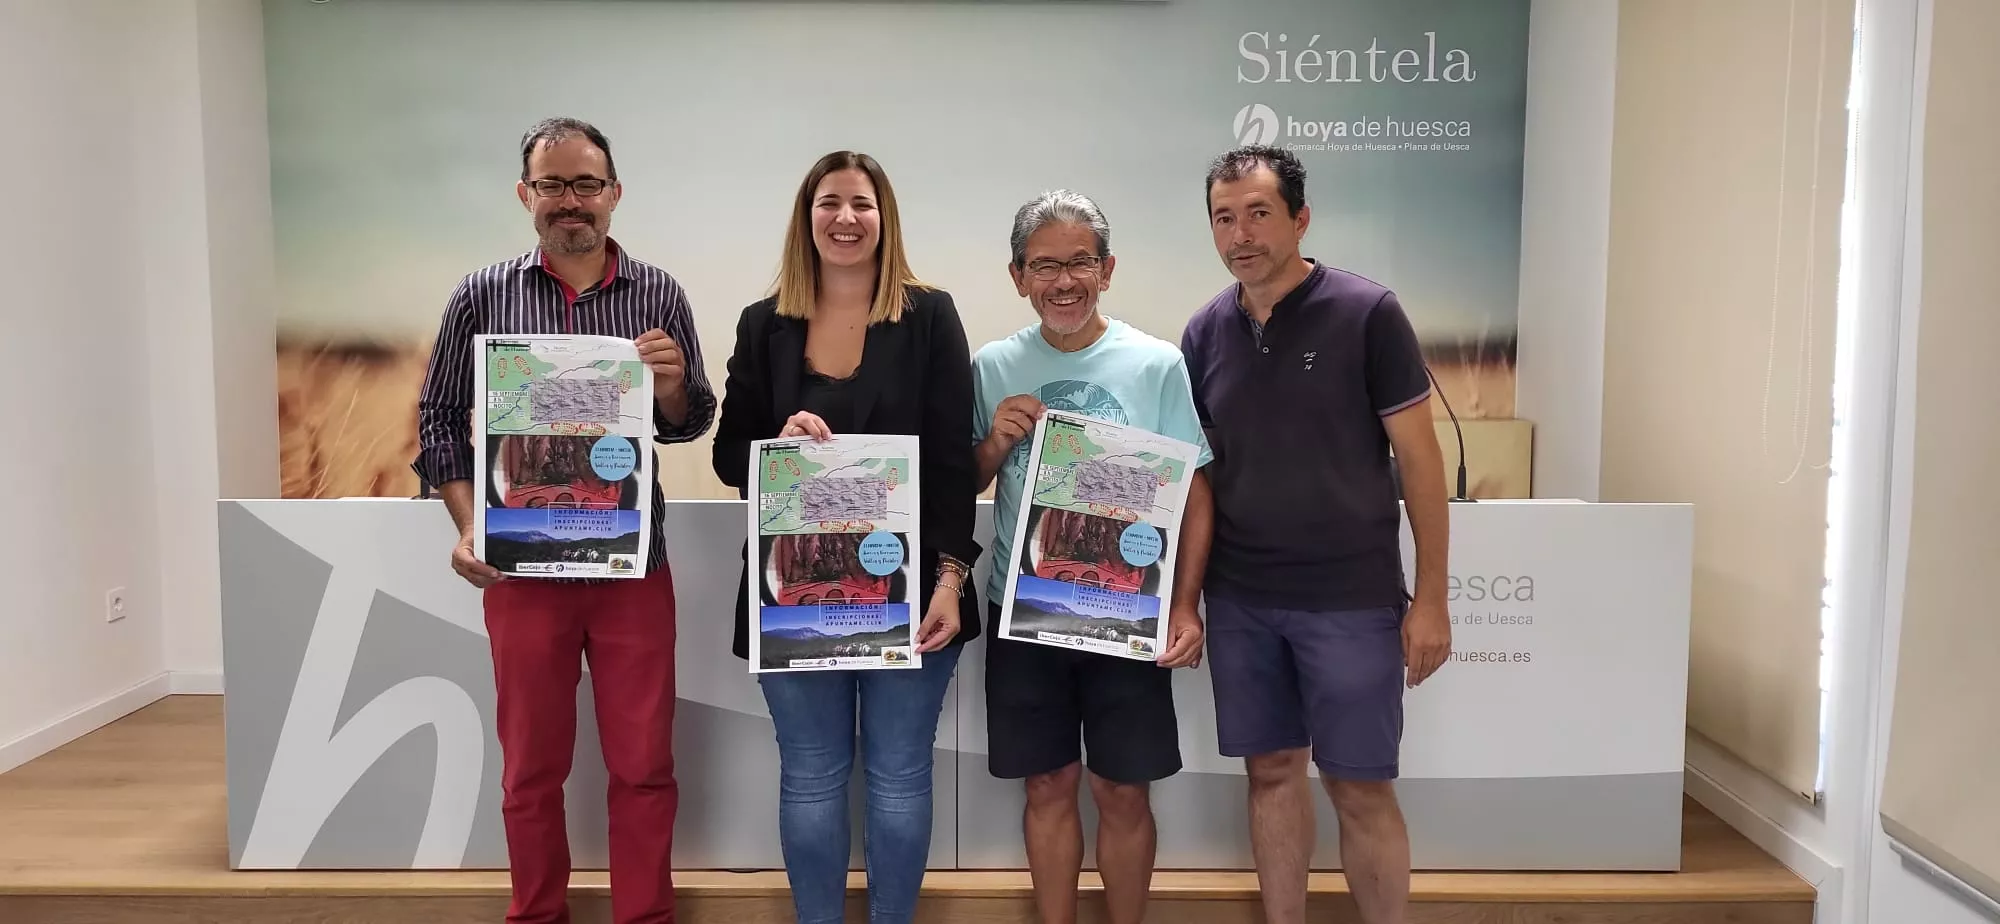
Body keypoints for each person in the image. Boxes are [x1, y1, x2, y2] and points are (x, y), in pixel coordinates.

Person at [412, 117, 715, 924]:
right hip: (521, 569)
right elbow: (438, 422)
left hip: (632, 568)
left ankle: (643, 915)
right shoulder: (481, 294)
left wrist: (675, 385)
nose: (570, 201)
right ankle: (535, 913)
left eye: (587, 184)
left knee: (645, 764)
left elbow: (689, 424)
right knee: (530, 770)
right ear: (526, 195)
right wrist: (470, 524)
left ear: (614, 194)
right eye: (553, 185)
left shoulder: (659, 294)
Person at [1179, 144, 1452, 924]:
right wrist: (1190, 598)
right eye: (1224, 218)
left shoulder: (1368, 313)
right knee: (1270, 772)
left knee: (1360, 785)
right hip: (1243, 599)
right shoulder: (1203, 333)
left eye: (1259, 213)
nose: (1241, 234)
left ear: (1300, 218)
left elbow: (1421, 464)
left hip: (1350, 599)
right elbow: (1198, 478)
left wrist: (1431, 598)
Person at [709, 150, 981, 924]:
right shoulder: (764, 324)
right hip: (790, 592)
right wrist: (777, 441)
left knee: (898, 776)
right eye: (829, 203)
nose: (846, 218)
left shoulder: (931, 315)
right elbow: (733, 459)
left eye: (861, 203)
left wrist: (951, 580)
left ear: (884, 218)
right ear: (807, 219)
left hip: (915, 592)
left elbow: (954, 460)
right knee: (811, 775)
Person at [972, 189, 1214, 924]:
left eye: (1080, 261)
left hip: (1126, 608)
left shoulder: (1156, 364)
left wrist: (1184, 605)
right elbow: (966, 483)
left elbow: (1196, 492)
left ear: (1107, 270)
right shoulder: (990, 366)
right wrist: (995, 444)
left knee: (1123, 787)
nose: (1064, 280)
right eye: (1045, 265)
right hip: (1024, 609)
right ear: (1018, 277)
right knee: (1046, 782)